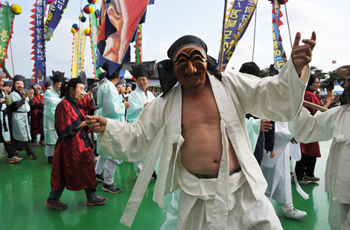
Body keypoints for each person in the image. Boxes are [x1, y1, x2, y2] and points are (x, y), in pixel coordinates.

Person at [87, 33, 315, 229]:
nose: (191, 68)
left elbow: (268, 94)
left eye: (197, 60)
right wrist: (109, 126)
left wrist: (292, 70)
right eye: (182, 63)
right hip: (196, 194)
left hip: (242, 188)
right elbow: (139, 135)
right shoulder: (165, 103)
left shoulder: (231, 84)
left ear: (208, 61)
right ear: (172, 67)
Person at [288, 64, 350, 230]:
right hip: (341, 183)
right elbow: (309, 128)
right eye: (348, 80)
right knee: (339, 221)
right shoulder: (340, 113)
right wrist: (296, 105)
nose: (348, 84)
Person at [45, 76, 107, 209]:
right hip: (69, 145)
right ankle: (53, 198)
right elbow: (64, 127)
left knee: (87, 169)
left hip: (79, 143)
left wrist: (86, 122)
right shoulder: (64, 105)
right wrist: (86, 122)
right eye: (81, 89)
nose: (83, 92)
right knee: (64, 171)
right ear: (71, 89)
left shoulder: (73, 103)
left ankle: (92, 196)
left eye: (84, 89)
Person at [94, 62, 129, 193]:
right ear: (118, 75)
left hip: (108, 123)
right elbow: (111, 109)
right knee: (114, 155)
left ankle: (97, 173)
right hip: (111, 124)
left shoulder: (105, 85)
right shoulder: (109, 87)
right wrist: (123, 106)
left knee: (105, 153)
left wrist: (120, 102)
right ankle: (108, 183)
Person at [261, 122, 307, 219]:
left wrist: (293, 132)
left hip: (282, 147)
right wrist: (288, 135)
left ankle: (287, 207)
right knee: (263, 178)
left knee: (282, 178)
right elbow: (268, 124)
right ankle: (260, 208)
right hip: (269, 146)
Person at [294, 74, 334, 185]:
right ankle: (299, 176)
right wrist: (328, 101)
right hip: (308, 127)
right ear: (309, 83)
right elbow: (320, 113)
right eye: (316, 82)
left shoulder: (305, 93)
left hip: (304, 126)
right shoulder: (309, 95)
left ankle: (309, 174)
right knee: (305, 151)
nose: (318, 84)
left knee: (311, 150)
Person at [240, 62, 276, 165]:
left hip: (245, 143)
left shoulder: (233, 90)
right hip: (256, 145)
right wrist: (269, 145)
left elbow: (268, 122)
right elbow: (270, 122)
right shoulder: (263, 93)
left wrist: (269, 144)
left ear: (244, 73)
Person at [127, 64, 157, 178]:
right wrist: (143, 106)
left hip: (151, 126)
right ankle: (141, 173)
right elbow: (130, 111)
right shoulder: (133, 95)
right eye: (139, 80)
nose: (141, 82)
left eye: (143, 79)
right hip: (139, 126)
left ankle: (151, 169)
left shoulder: (150, 94)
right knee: (140, 150)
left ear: (148, 81)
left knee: (152, 149)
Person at [9, 75, 36, 159]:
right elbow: (15, 106)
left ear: (23, 85)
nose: (20, 85)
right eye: (17, 83)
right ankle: (30, 153)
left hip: (25, 116)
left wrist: (31, 98)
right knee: (23, 135)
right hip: (18, 116)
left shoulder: (24, 93)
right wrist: (24, 97)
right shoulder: (13, 95)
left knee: (19, 136)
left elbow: (32, 105)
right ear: (14, 85)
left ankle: (12, 151)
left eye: (21, 83)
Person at [0, 74, 22, 163]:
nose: (1, 83)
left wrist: (5, 92)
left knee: (6, 136)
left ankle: (11, 156)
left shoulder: (1, 92)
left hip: (2, 116)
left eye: (2, 81)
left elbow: (8, 103)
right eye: (0, 81)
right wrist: (3, 101)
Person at [43, 71, 65, 163]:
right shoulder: (48, 92)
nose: (60, 86)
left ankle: (57, 155)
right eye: (59, 84)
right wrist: (62, 100)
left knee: (57, 136)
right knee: (51, 136)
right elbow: (52, 103)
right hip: (51, 117)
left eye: (61, 84)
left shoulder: (58, 93)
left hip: (57, 118)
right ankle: (50, 156)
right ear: (53, 84)